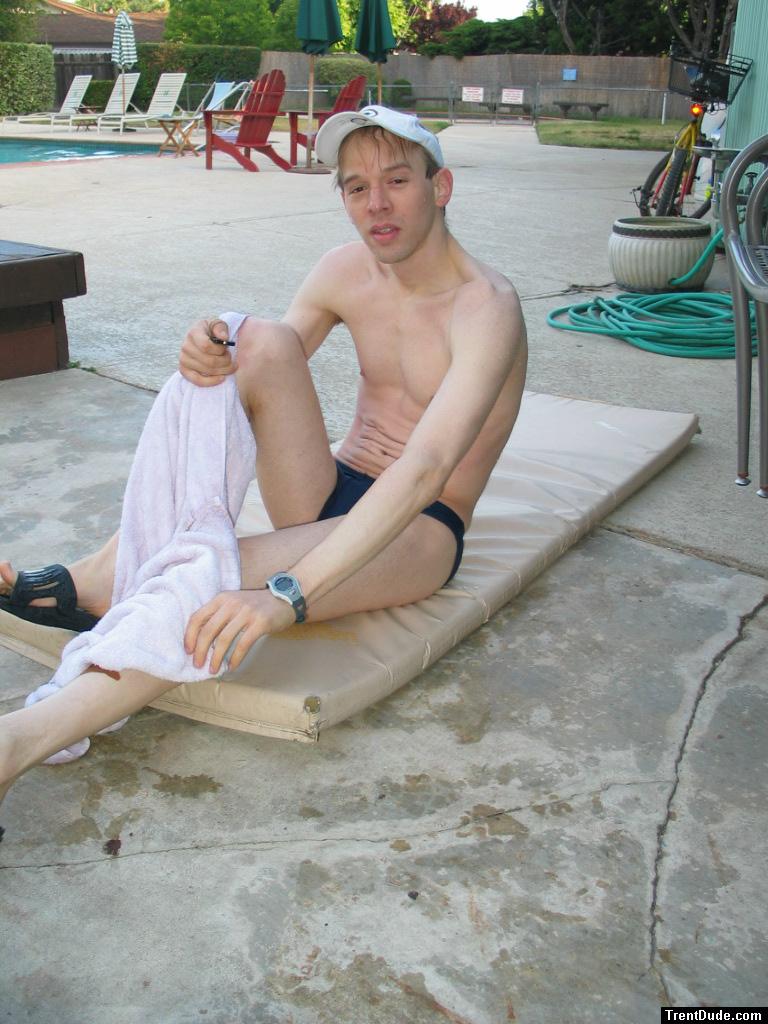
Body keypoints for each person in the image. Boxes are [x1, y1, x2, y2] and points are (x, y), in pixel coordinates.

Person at [0, 106, 526, 813]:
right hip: (327, 489)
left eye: (398, 180)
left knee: (204, 578)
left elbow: (426, 466)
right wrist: (206, 352)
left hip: (418, 528)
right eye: (355, 187)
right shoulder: (345, 269)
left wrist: (288, 594)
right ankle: (106, 572)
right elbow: (257, 372)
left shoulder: (485, 307)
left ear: (442, 186)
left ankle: (17, 743)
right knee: (252, 337)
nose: (377, 204)